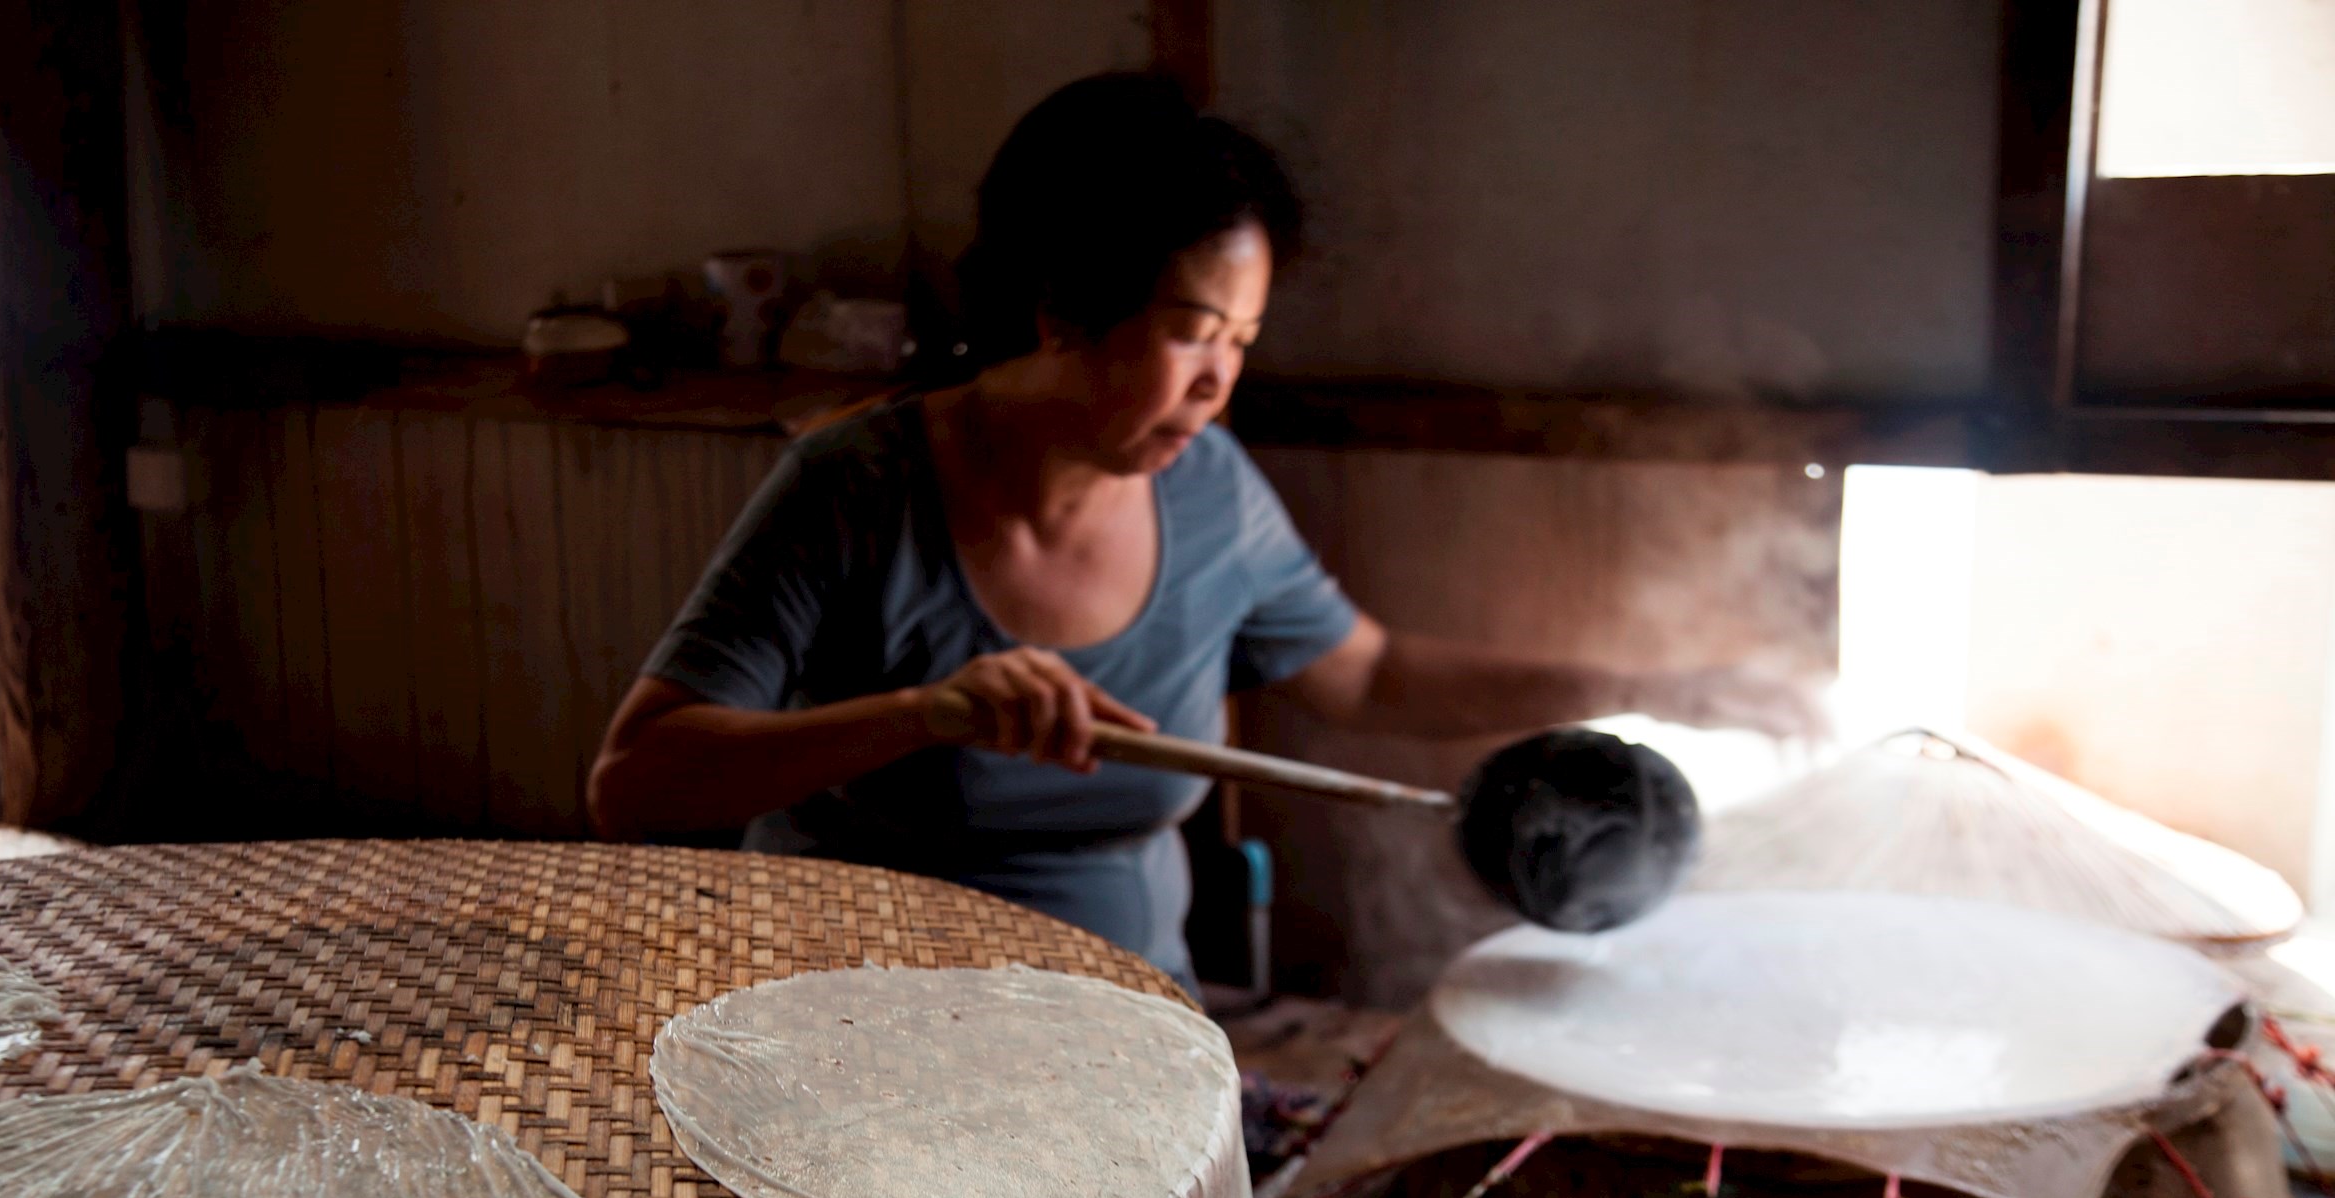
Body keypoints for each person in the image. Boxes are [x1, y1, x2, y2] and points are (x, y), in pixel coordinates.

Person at [589, 73, 1807, 990]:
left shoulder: (1208, 487)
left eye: (1241, 341)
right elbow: (636, 784)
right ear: (1063, 308)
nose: (1219, 382)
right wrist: (924, 714)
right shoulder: (856, 487)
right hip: (853, 1020)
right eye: (1188, 332)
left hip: (1127, 1027)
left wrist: (1655, 686)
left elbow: (1368, 672)